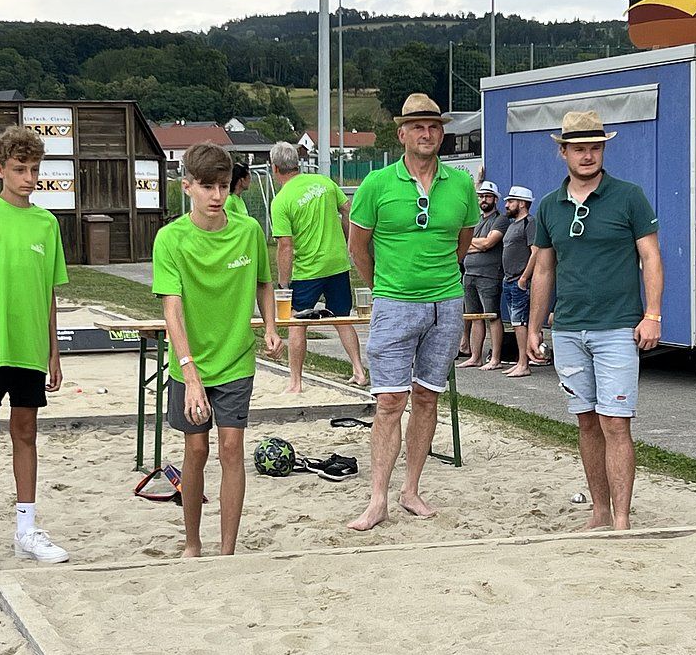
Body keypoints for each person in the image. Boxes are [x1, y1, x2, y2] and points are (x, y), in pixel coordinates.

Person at [347, 93, 479, 531]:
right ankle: (378, 498)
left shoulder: (460, 184)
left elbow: (462, 243)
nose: (427, 133)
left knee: (427, 397)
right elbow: (357, 248)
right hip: (394, 302)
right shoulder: (376, 184)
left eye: (435, 126)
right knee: (389, 400)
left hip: (446, 303)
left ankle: (411, 489)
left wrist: (443, 282)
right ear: (401, 133)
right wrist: (384, 288)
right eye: (418, 126)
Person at [528, 110, 663, 532]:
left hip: (618, 326)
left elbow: (651, 258)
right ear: (563, 152)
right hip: (568, 328)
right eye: (579, 148)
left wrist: (652, 314)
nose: (588, 155)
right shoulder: (549, 205)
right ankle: (599, 512)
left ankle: (622, 519)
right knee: (586, 420)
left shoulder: (629, 196)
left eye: (595, 147)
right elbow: (544, 271)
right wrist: (534, 328)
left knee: (615, 422)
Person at [153, 142, 283, 557]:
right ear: (187, 186)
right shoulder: (170, 239)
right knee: (195, 448)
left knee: (231, 449)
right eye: (206, 186)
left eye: (223, 186)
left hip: (236, 358)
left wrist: (271, 327)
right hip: (189, 362)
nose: (216, 196)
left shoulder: (246, 231)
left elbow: (265, 281)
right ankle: (192, 542)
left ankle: (227, 550)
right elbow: (171, 308)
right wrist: (189, 373)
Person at [0, 126, 70, 571]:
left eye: (34, 169)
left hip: (29, 348)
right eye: (19, 169)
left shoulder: (47, 223)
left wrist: (53, 351)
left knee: (26, 434)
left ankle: (26, 529)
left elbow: (49, 293)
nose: (28, 177)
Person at [269, 140, 368, 391]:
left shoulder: (282, 201)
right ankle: (358, 370)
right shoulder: (324, 182)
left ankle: (295, 382)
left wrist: (283, 283)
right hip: (336, 263)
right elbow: (349, 210)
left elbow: (285, 246)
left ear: (275, 168)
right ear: (297, 164)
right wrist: (349, 240)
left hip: (308, 269)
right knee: (342, 318)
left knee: (297, 322)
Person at [457, 179, 510, 370]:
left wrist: (472, 244)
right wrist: (475, 244)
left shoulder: (500, 220)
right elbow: (460, 246)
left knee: (492, 316)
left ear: (495, 199)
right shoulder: (476, 220)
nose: (484, 199)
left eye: (488, 196)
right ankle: (475, 356)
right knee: (473, 316)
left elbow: (489, 243)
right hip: (469, 274)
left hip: (489, 275)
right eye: (481, 196)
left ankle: (495, 358)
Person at [501, 185, 538, 378]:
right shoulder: (513, 224)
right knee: (516, 323)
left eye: (510, 201)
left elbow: (536, 252)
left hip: (519, 281)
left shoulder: (529, 223)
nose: (506, 205)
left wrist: (524, 278)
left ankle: (524, 364)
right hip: (509, 280)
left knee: (520, 322)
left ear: (522, 203)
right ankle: (519, 361)